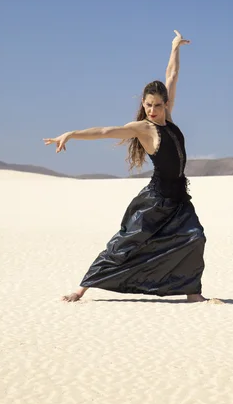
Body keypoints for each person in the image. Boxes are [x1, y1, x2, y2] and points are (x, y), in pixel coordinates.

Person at [44, 30, 208, 303]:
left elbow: (172, 75)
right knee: (124, 244)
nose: (152, 110)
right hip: (155, 201)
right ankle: (82, 288)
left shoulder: (168, 117)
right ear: (143, 105)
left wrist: (174, 47)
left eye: (157, 105)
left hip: (179, 199)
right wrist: (71, 134)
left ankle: (193, 294)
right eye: (148, 105)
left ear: (166, 104)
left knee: (194, 239)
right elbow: (106, 131)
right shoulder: (143, 128)